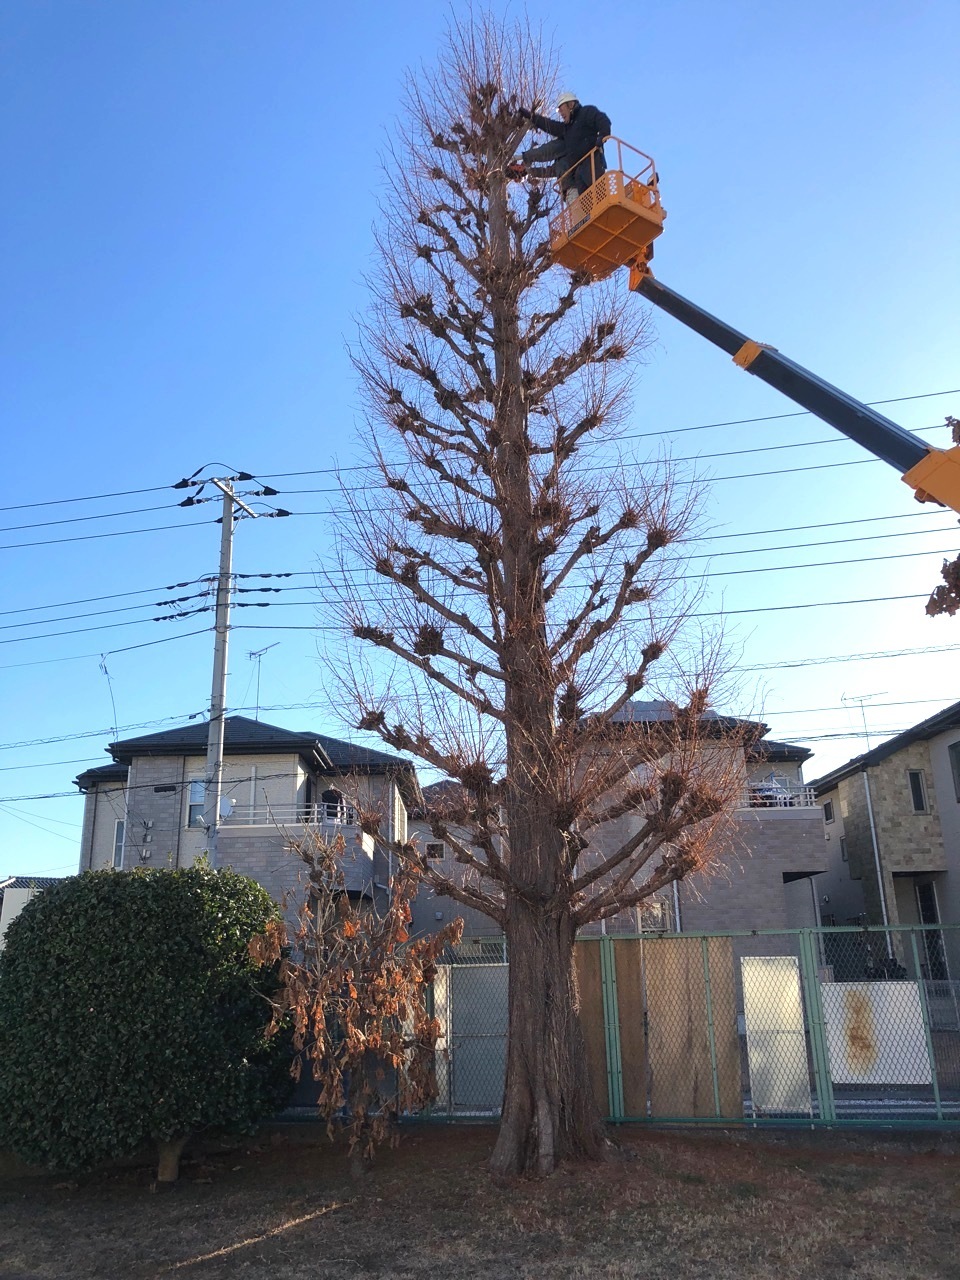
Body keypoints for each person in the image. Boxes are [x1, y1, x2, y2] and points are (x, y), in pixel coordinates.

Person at [512, 91, 612, 205]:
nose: (560, 113)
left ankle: (604, 206)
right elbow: (549, 125)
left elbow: (602, 119)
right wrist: (531, 116)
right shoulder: (567, 130)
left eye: (561, 108)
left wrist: (603, 135)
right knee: (586, 206)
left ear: (570, 104)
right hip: (578, 173)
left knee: (599, 198)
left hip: (592, 163)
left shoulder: (586, 112)